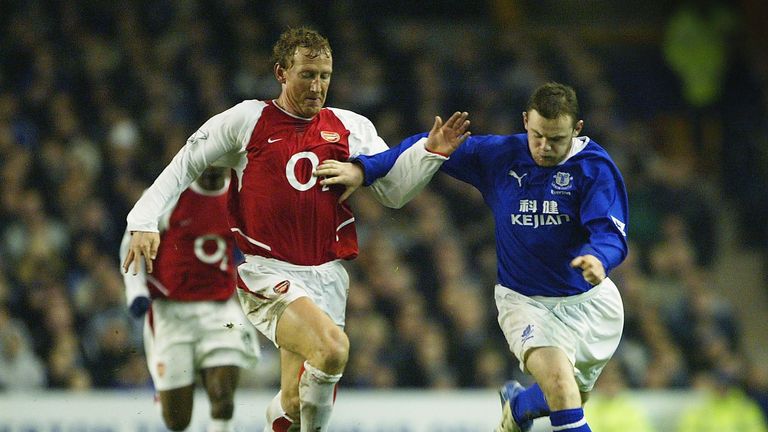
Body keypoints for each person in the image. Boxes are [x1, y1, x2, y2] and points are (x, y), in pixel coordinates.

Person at [121, 27, 470, 432]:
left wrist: (429, 154)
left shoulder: (349, 127)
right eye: (307, 74)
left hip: (328, 276)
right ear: (281, 73)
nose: (317, 85)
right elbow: (188, 162)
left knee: (294, 404)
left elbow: (393, 193)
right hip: (267, 273)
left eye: (324, 75)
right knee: (334, 350)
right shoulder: (248, 119)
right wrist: (143, 220)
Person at [317, 82, 628, 432]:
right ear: (526, 121)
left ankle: (519, 405)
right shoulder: (500, 155)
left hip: (591, 304)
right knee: (560, 387)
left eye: (557, 139)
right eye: (537, 135)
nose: (544, 147)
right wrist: (364, 169)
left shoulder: (594, 168)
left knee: (569, 396)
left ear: (577, 129)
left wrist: (599, 258)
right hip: (527, 302)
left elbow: (610, 232)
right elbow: (426, 144)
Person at [121, 166, 260, 432]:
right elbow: (131, 247)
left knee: (223, 399)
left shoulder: (241, 194)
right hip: (171, 313)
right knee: (177, 421)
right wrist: (136, 292)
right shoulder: (167, 195)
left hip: (220, 311)